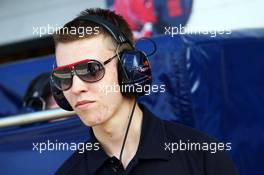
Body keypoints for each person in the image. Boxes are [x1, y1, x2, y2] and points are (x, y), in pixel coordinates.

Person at [50, 8, 238, 175]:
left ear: (129, 69)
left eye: (91, 70)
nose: (76, 88)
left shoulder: (201, 156)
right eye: (64, 76)